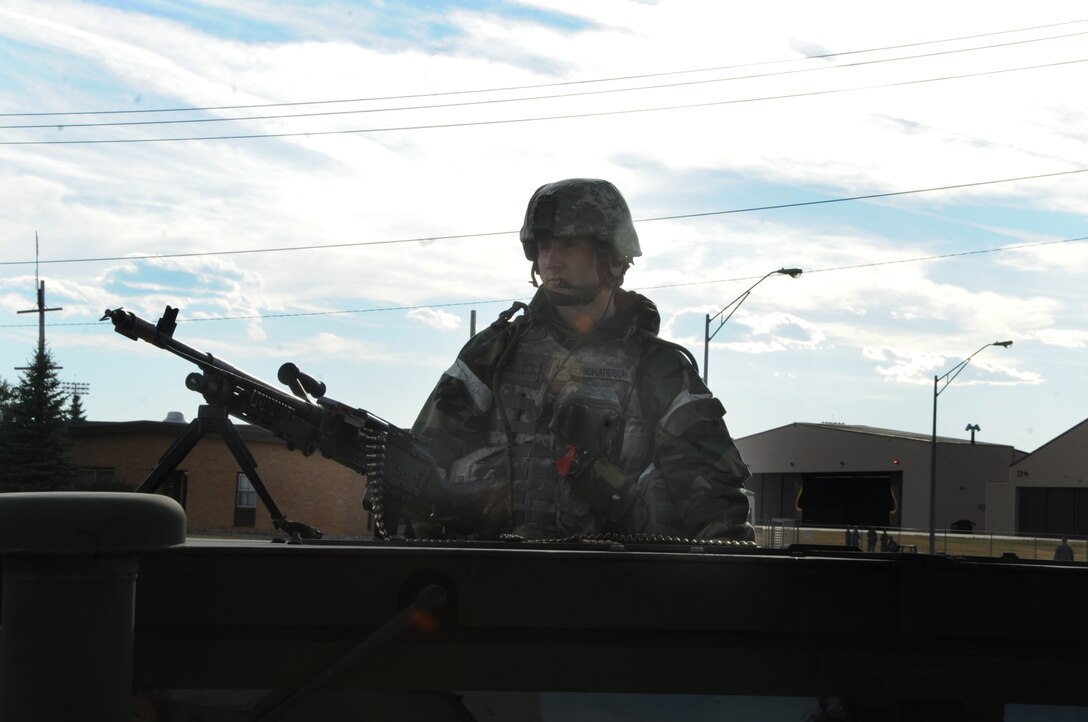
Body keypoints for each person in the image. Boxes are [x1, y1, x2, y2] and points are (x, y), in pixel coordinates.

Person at [406, 178, 753, 542]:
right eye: (544, 247)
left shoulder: (660, 369)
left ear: (612, 256)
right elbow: (420, 469)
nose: (551, 260)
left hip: (619, 573)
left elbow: (716, 503)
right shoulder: (493, 353)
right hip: (494, 569)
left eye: (569, 245)